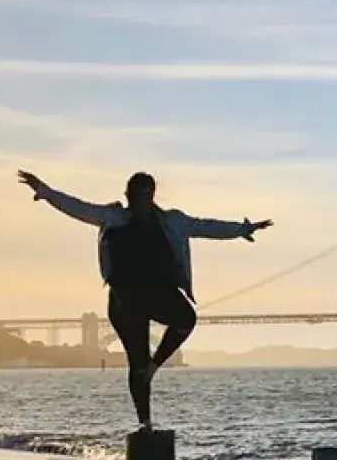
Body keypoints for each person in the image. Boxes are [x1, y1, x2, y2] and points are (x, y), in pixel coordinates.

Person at [18, 170, 271, 425]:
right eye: (136, 195)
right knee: (136, 362)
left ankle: (153, 368)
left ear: (151, 196)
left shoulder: (172, 221)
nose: (139, 200)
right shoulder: (113, 217)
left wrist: (242, 229)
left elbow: (206, 227)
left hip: (157, 293)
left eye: (145, 195)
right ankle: (145, 423)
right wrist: (45, 191)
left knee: (186, 319)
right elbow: (77, 208)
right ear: (127, 195)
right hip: (125, 300)